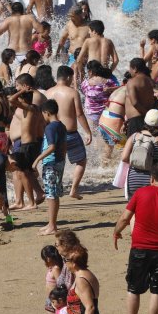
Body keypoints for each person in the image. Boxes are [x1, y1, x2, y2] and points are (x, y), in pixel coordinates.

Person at [114, 161, 158, 314]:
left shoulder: (141, 192)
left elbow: (124, 218)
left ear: (152, 178)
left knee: (133, 288)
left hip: (140, 249)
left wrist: (116, 232)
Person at [46, 66, 93, 199]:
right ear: (68, 77)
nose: (72, 80)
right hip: (69, 133)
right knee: (81, 161)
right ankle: (73, 190)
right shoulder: (72, 92)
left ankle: (54, 189)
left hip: (52, 133)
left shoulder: (47, 92)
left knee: (54, 163)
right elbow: (79, 114)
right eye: (72, 78)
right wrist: (88, 132)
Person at [33, 100, 67, 235]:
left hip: (51, 163)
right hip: (59, 162)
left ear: (46, 113)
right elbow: (64, 145)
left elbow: (51, 146)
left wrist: (37, 159)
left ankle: (52, 226)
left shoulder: (50, 127)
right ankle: (51, 223)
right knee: (54, 193)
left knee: (51, 195)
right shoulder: (62, 125)